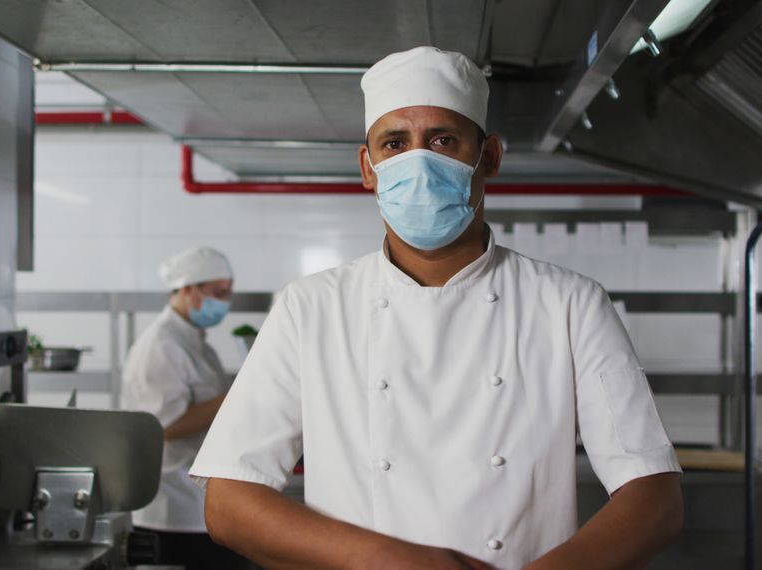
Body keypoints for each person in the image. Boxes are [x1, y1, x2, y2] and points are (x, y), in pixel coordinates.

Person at [191, 46, 683, 569]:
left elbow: (654, 497)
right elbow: (229, 505)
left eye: (443, 140)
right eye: (395, 143)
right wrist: (391, 560)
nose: (418, 163)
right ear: (368, 167)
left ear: (488, 156)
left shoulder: (569, 303)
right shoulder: (310, 308)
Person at [121, 246, 248, 569]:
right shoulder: (160, 346)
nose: (225, 301)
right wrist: (239, 395)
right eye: (219, 293)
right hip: (173, 508)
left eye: (228, 293)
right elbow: (164, 427)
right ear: (189, 289)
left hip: (199, 502)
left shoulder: (197, 344)